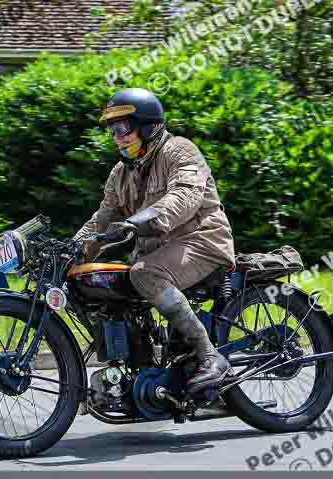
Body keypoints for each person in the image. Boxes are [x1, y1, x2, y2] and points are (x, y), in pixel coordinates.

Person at [73, 88, 236, 395]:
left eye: (122, 128)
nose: (117, 137)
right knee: (107, 282)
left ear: (147, 126)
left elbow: (184, 196)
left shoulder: (180, 151)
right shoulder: (121, 173)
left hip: (202, 241)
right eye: (112, 130)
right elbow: (101, 219)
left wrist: (137, 222)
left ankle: (210, 356)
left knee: (144, 273)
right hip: (162, 252)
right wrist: (73, 248)